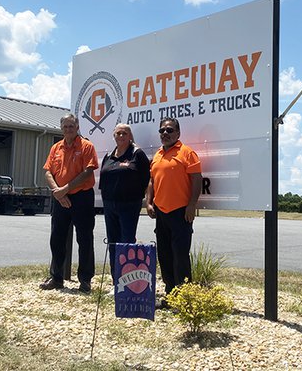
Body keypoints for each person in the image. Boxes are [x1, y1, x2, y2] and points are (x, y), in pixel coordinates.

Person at [40, 113, 99, 293]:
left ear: (77, 126)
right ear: (61, 128)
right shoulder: (55, 148)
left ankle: (85, 280)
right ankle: (56, 278)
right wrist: (58, 192)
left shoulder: (87, 146)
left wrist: (65, 188)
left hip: (82, 197)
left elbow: (88, 172)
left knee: (85, 238)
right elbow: (48, 172)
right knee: (57, 238)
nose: (68, 129)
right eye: (65, 126)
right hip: (60, 198)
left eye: (71, 126)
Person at [145, 117, 202, 303]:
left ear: (178, 133)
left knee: (180, 256)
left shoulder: (187, 153)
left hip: (181, 212)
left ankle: (185, 298)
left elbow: (196, 179)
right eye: (162, 131)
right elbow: (152, 181)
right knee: (165, 255)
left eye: (169, 130)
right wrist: (149, 202)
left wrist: (192, 205)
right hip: (161, 213)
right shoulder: (158, 155)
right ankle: (170, 295)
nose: (165, 134)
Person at [99, 123, 150, 279]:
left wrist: (146, 200)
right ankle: (116, 280)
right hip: (109, 205)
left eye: (124, 133)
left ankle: (127, 281)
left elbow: (147, 180)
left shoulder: (137, 154)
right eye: (118, 133)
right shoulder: (108, 156)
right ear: (114, 135)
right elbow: (103, 181)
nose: (121, 136)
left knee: (127, 242)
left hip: (129, 205)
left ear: (130, 136)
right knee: (113, 243)